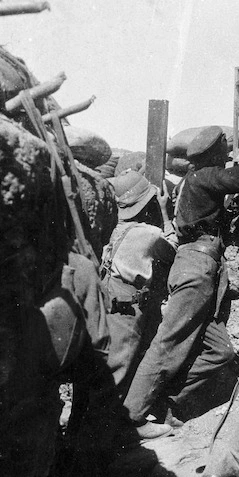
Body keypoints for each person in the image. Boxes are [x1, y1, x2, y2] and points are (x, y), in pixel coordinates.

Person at [123, 126, 239, 438]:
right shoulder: (205, 176)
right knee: (169, 341)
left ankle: (167, 401)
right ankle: (132, 415)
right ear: (214, 156)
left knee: (220, 351)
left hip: (198, 266)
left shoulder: (190, 181)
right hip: (197, 267)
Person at [102, 170, 178, 439]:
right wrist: (166, 215)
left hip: (110, 303)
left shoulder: (116, 228)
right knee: (120, 368)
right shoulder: (146, 234)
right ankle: (116, 433)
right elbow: (172, 248)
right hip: (127, 308)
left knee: (110, 366)